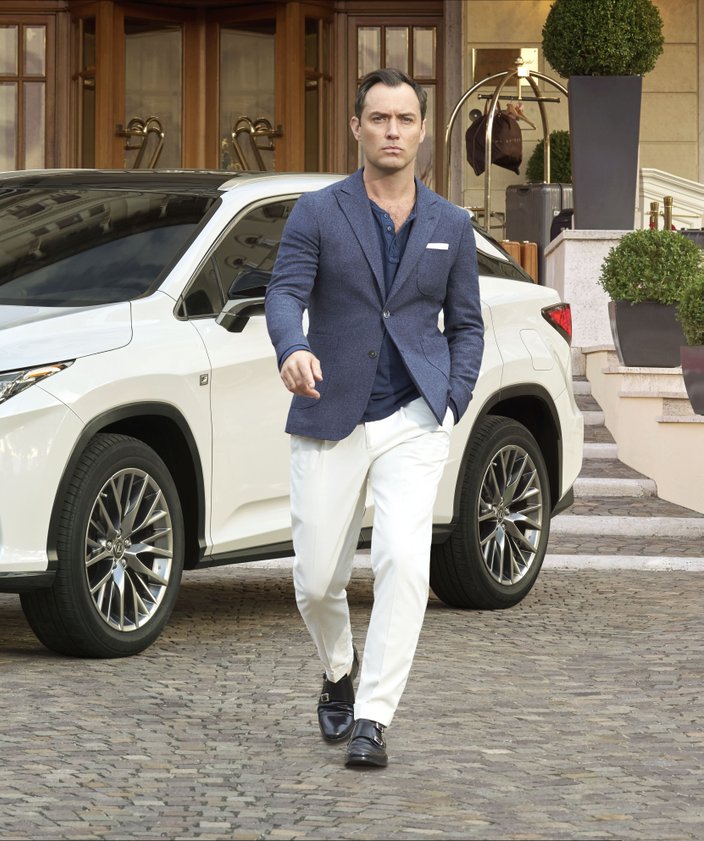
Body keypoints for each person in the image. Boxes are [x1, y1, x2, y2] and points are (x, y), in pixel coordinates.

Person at [265, 68, 484, 769]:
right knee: (315, 581)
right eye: (380, 118)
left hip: (414, 415)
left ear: (422, 131)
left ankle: (373, 717)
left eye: (405, 119)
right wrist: (292, 348)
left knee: (403, 562)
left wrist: (453, 394)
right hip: (330, 408)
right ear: (356, 126)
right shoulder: (317, 212)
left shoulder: (451, 224)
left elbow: (467, 325)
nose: (393, 131)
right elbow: (284, 293)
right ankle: (339, 669)